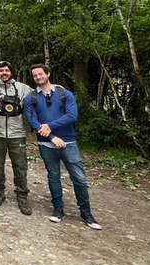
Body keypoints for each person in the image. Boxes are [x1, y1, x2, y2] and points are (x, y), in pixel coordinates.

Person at [24, 63, 102, 230]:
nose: (38, 77)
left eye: (40, 74)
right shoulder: (31, 98)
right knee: (53, 175)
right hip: (46, 143)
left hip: (68, 141)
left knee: (79, 178)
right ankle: (58, 208)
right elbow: (33, 121)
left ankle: (86, 211)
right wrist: (52, 137)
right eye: (35, 75)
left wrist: (50, 126)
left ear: (48, 74)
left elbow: (72, 116)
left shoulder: (65, 94)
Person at [0, 61, 33, 215]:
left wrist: (56, 87)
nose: (4, 73)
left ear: (11, 72)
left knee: (20, 165)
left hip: (17, 134)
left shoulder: (23, 88)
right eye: (1, 70)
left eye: (6, 70)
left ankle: (22, 196)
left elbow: (41, 93)